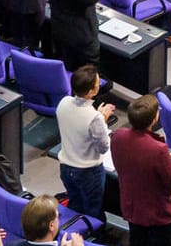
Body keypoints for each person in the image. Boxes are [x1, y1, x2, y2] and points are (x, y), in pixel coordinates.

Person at [112, 95, 171, 246]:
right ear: (153, 119)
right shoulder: (158, 149)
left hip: (133, 207)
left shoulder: (118, 135)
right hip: (158, 213)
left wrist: (163, 160)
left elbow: (131, 160)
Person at [55, 65, 114, 229]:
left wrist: (98, 117)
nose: (99, 83)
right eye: (97, 83)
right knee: (94, 212)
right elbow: (103, 147)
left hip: (66, 168)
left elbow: (77, 124)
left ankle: (77, 232)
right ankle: (95, 236)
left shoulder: (64, 102)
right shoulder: (94, 117)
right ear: (90, 92)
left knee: (75, 205)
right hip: (88, 173)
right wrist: (102, 120)